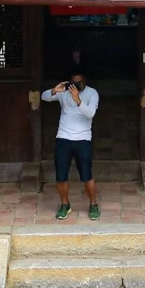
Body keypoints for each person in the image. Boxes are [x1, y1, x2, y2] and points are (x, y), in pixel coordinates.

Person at [41, 68, 100, 221]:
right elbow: (44, 97)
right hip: (63, 137)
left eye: (79, 82)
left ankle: (93, 204)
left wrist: (78, 100)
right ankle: (65, 204)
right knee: (61, 176)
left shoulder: (92, 93)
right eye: (73, 82)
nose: (76, 85)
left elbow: (90, 114)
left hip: (83, 139)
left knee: (87, 175)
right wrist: (54, 90)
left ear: (84, 81)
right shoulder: (64, 92)